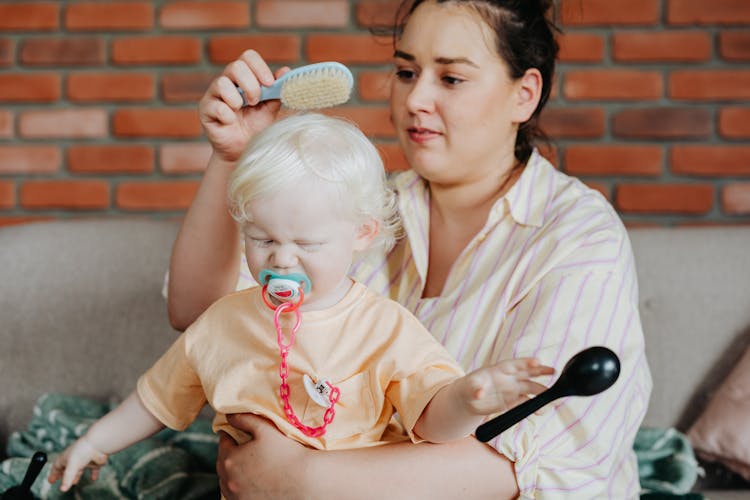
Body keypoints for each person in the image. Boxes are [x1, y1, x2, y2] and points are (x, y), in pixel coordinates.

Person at [168, 0, 652, 498]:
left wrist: (299, 478)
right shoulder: (359, 210)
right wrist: (232, 157)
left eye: (451, 79)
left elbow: (532, 460)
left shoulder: (578, 236)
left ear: (524, 95)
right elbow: (199, 317)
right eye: (405, 71)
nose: (415, 98)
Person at [47, 113, 556, 493]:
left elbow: (430, 421)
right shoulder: (224, 321)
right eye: (262, 239)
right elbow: (154, 400)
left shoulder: (383, 327)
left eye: (307, 245)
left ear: (361, 234)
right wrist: (93, 443)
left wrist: (469, 400)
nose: (281, 260)